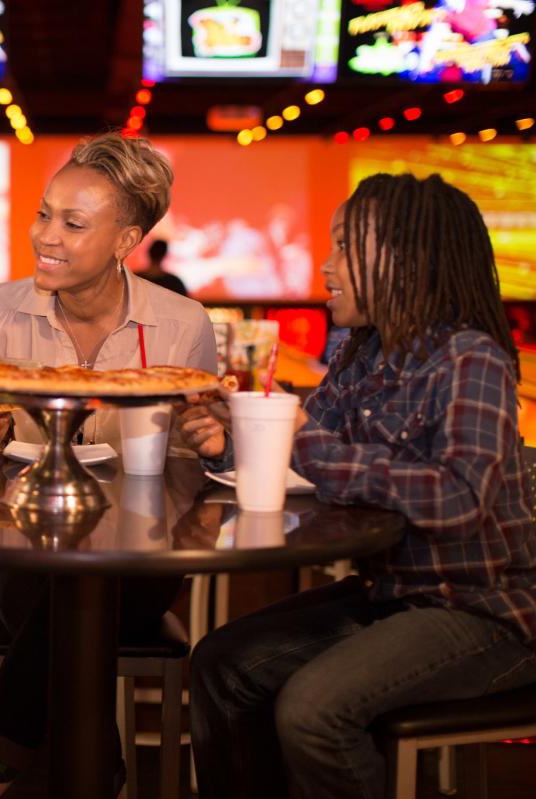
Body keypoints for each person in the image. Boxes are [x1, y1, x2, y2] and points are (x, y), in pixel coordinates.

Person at [178, 172, 536, 799]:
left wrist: (295, 434)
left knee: (314, 713)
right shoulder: (363, 354)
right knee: (221, 662)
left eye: (344, 245)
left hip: (487, 609)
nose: (324, 264)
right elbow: (312, 450)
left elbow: (457, 499)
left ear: (404, 259)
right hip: (391, 592)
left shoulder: (468, 358)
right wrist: (232, 440)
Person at [0, 132, 217, 798]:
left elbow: (192, 473)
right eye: (45, 213)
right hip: (21, 541)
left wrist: (212, 433)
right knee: (56, 592)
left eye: (73, 223)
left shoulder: (183, 324)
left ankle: (0, 754)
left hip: (141, 558)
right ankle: (101, 770)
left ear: (127, 240)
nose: (47, 235)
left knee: (77, 597)